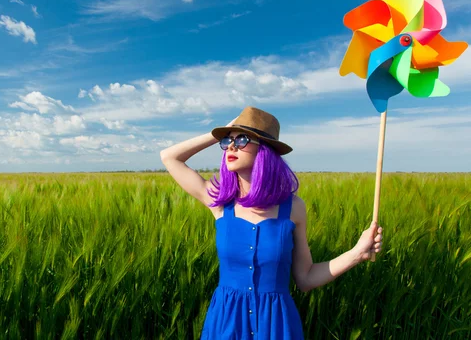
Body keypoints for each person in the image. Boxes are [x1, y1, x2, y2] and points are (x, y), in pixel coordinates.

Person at [159, 106, 383, 339]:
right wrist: (221, 131)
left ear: (264, 150)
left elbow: (305, 279)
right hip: (226, 323)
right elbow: (170, 156)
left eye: (242, 139)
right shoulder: (218, 201)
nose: (231, 146)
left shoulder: (293, 208)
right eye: (227, 141)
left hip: (276, 324)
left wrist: (357, 253)